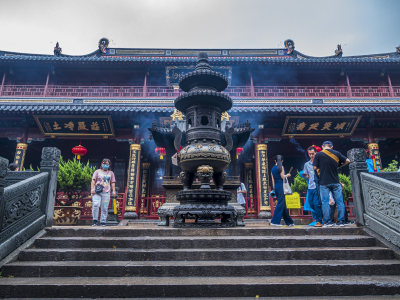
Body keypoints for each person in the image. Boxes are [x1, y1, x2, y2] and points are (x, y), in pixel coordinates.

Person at [313, 141, 350, 227]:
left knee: (325, 202)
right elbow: (348, 160)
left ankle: (327, 222)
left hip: (323, 182)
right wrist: (339, 166)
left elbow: (314, 167)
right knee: (340, 202)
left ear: (322, 147)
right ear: (331, 147)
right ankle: (341, 221)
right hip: (336, 182)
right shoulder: (337, 153)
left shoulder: (318, 154)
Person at [270, 155, 294, 227]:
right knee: (280, 204)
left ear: (275, 161)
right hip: (281, 186)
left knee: (283, 204)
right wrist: (288, 175)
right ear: (282, 161)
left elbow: (272, 179)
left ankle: (289, 222)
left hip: (276, 187)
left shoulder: (273, 168)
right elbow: (282, 176)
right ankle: (274, 221)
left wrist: (274, 188)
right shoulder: (281, 167)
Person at [91, 158, 116, 226]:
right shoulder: (97, 171)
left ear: (109, 165)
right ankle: (95, 220)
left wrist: (113, 191)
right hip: (97, 191)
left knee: (104, 207)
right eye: (104, 163)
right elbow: (93, 180)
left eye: (107, 164)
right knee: (96, 205)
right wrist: (92, 189)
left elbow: (113, 182)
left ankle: (103, 221)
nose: (105, 165)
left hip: (106, 192)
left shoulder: (111, 173)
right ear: (101, 164)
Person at [302, 146, 323, 227]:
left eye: (313, 154)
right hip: (310, 186)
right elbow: (305, 174)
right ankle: (320, 217)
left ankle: (319, 220)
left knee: (316, 203)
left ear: (316, 153)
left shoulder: (320, 162)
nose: (311, 155)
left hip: (318, 186)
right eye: (310, 154)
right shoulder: (307, 164)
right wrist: (306, 175)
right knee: (311, 204)